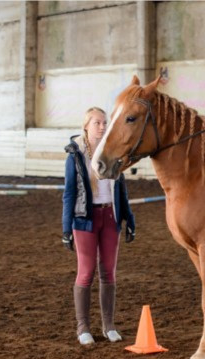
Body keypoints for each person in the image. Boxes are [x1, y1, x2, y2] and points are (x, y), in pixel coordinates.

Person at [62, 107, 136, 345]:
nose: (102, 127)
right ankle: (83, 328)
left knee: (108, 273)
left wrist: (129, 217)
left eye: (105, 122)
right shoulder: (75, 156)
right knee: (86, 273)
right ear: (86, 126)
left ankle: (108, 326)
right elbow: (69, 193)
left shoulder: (113, 153)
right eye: (97, 123)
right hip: (85, 219)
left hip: (110, 217)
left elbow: (121, 188)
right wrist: (66, 228)